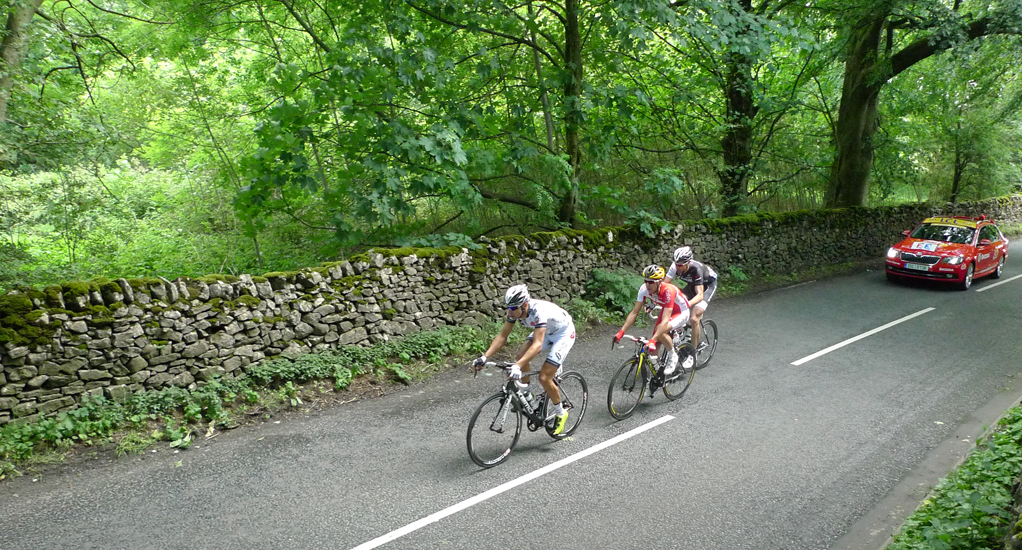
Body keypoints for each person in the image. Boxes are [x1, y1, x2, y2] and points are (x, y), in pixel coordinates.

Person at [472, 284, 576, 435]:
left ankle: (561, 413)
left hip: (563, 333)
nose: (510, 312)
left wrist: (517, 366)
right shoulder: (514, 311)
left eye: (513, 309)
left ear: (525, 305)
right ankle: (528, 393)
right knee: (520, 356)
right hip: (546, 331)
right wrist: (484, 356)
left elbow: (538, 344)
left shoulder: (538, 311)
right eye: (508, 308)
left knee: (544, 377)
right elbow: (502, 336)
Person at [613, 265, 691, 376]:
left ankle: (673, 355)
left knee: (661, 331)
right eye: (646, 281)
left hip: (680, 312)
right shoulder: (644, 289)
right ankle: (659, 375)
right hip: (667, 310)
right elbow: (634, 313)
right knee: (653, 349)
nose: (648, 284)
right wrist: (621, 332)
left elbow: (664, 322)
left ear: (659, 282)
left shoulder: (668, 291)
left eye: (651, 282)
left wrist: (653, 340)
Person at [665, 246, 718, 352]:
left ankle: (694, 351)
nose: (678, 267)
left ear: (688, 263)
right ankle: (685, 330)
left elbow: (700, 295)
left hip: (707, 287)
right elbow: (664, 285)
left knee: (694, 317)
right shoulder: (675, 266)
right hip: (692, 285)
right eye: (676, 264)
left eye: (680, 265)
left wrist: (687, 304)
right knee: (675, 306)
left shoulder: (696, 269)